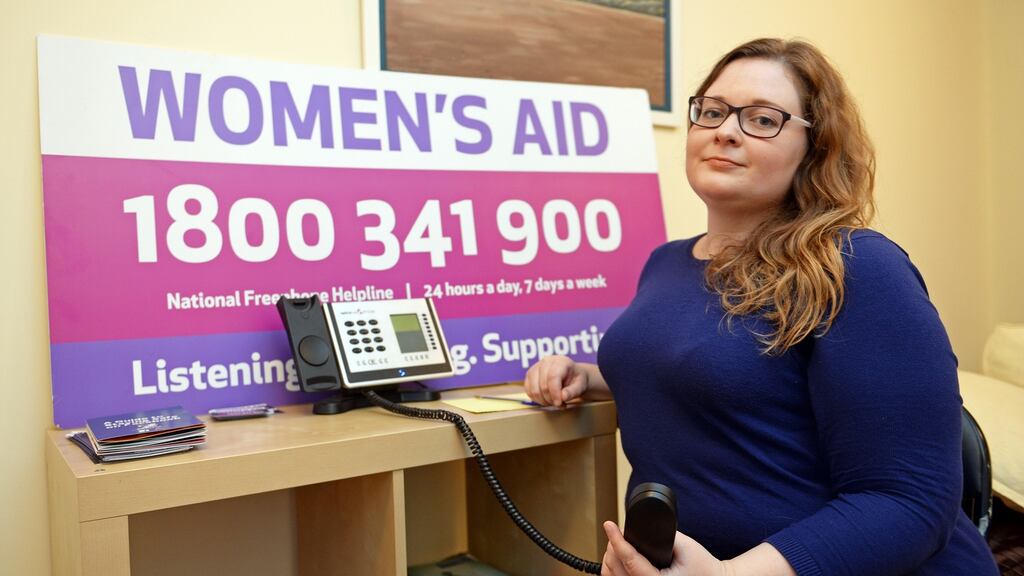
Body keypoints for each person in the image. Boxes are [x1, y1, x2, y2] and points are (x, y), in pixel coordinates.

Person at [524, 38, 999, 576]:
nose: (725, 130)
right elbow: (735, 381)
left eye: (763, 119)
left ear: (814, 148)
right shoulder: (665, 263)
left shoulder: (859, 268)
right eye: (712, 111)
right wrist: (591, 376)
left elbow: (908, 501)